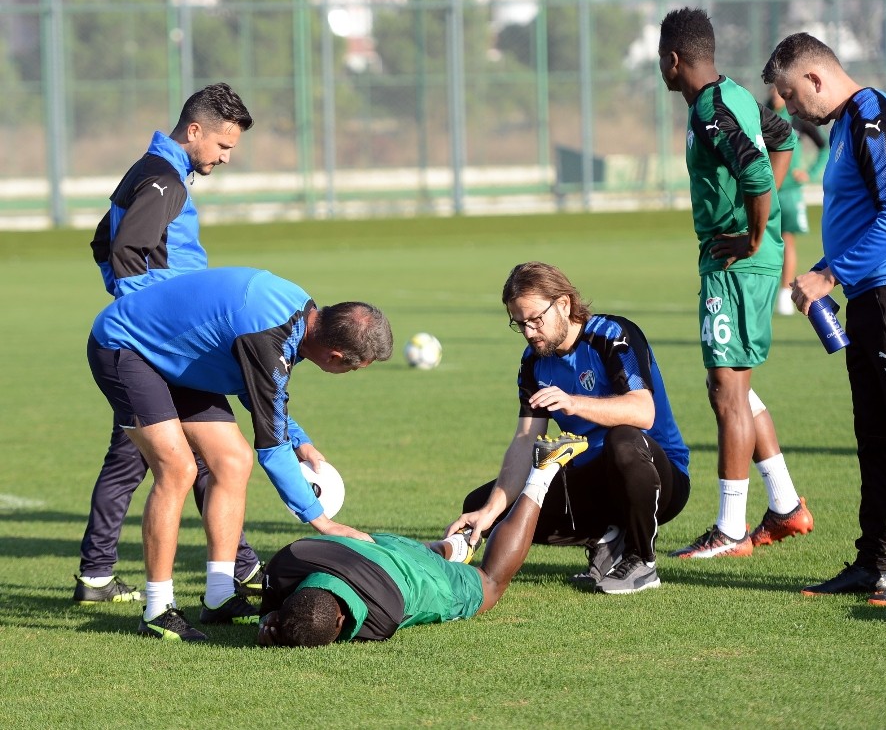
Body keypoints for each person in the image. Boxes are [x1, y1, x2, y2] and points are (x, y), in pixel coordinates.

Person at [87, 266, 393, 640]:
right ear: (334, 356)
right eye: (355, 368)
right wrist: (321, 521)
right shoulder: (267, 335)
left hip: (179, 360)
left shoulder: (299, 314)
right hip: (126, 347)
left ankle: (219, 596)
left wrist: (300, 439)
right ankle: (157, 610)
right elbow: (271, 445)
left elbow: (261, 391)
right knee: (178, 470)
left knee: (233, 461)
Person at [763, 32, 886, 605]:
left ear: (816, 78)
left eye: (791, 96)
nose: (790, 109)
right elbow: (860, 218)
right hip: (870, 296)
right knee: (875, 436)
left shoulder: (873, 116)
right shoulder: (844, 125)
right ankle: (872, 562)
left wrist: (828, 274)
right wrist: (821, 271)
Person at [76, 83, 262, 606]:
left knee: (148, 459)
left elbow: (101, 240)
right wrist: (146, 317)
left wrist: (126, 299)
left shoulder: (152, 170)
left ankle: (97, 573)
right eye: (223, 146)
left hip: (151, 338)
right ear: (195, 130)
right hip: (162, 344)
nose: (225, 158)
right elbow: (125, 247)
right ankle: (234, 570)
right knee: (190, 459)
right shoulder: (164, 180)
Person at [657, 8, 813, 560]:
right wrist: (761, 230)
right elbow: (783, 137)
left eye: (661, 59)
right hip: (740, 261)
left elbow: (753, 169)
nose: (661, 69)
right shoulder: (736, 95)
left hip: (735, 264)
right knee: (733, 387)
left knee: (727, 393)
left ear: (673, 60)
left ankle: (729, 530)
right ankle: (787, 505)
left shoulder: (709, 111)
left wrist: (752, 233)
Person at [446, 262, 691, 595]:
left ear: (563, 303)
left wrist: (574, 403)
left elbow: (643, 412)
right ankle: (607, 537)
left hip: (660, 478)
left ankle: (641, 560)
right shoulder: (533, 363)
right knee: (484, 503)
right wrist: (489, 511)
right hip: (594, 479)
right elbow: (524, 441)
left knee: (623, 439)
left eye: (535, 320)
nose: (530, 332)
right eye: (520, 324)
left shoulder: (613, 336)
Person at [256, 432, 587, 646]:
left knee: (490, 584)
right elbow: (275, 607)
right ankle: (459, 545)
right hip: (374, 546)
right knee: (413, 554)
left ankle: (543, 473)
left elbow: (303, 625)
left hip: (415, 582)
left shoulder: (382, 618)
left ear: (342, 620)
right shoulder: (288, 560)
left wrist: (273, 632)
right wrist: (275, 619)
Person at [766, 84, 829, 316]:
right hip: (768, 189)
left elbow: (824, 147)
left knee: (787, 240)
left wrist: (809, 174)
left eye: (779, 90)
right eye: (772, 90)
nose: (775, 94)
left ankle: (784, 292)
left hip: (791, 191)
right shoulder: (764, 116)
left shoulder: (798, 119)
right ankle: (765, 292)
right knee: (764, 240)